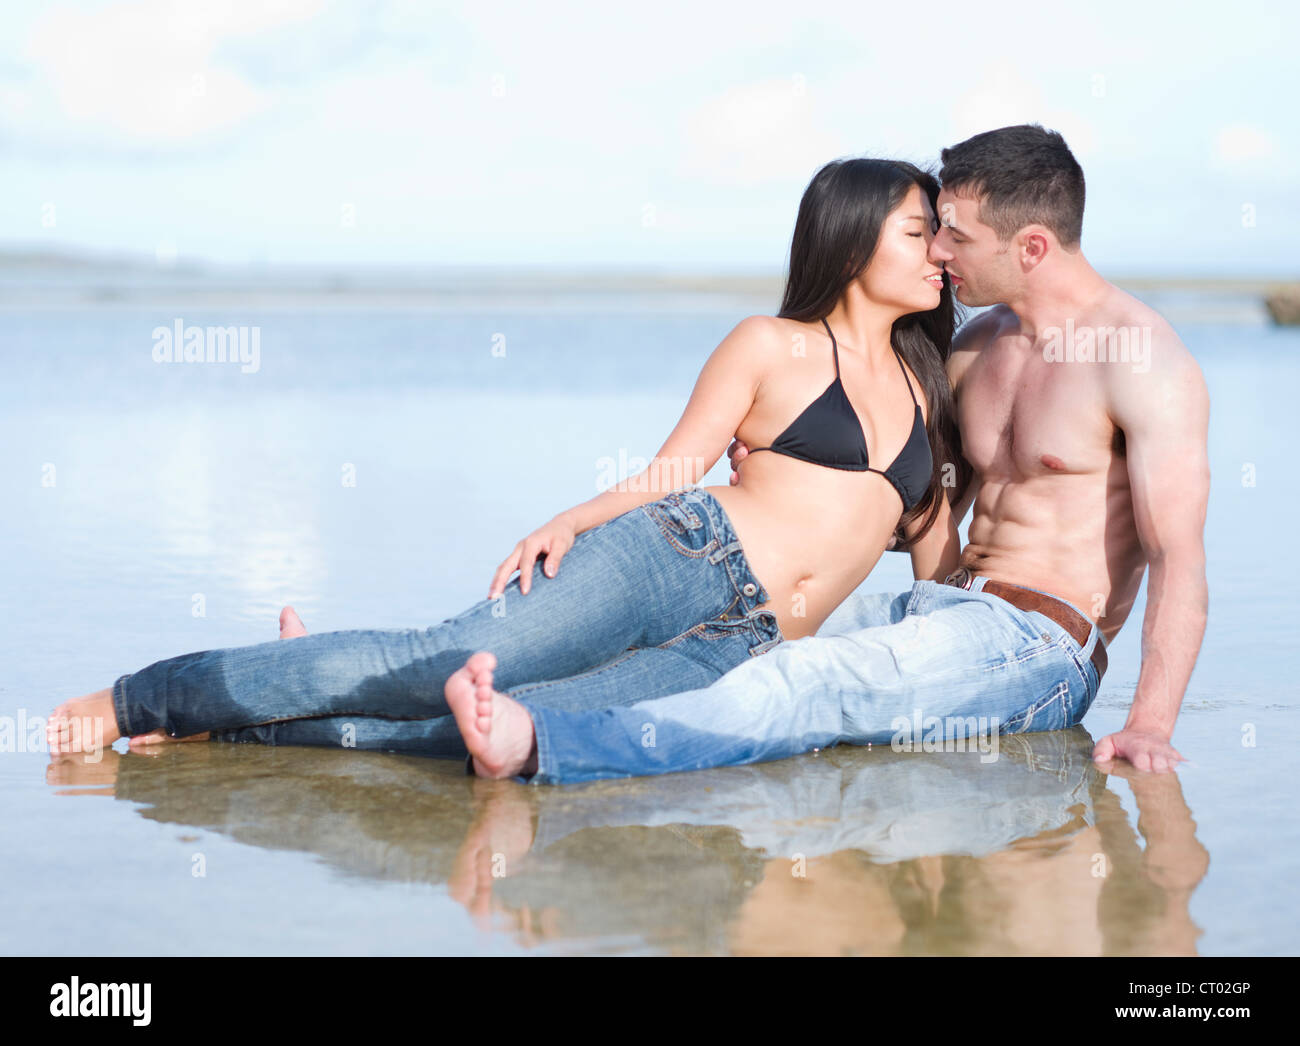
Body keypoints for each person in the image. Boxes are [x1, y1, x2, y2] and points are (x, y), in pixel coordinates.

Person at [47, 158, 964, 759]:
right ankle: (139, 699)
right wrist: (568, 521)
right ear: (851, 238)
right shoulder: (771, 343)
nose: (939, 251)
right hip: (676, 556)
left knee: (518, 732)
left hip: (747, 646)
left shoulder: (931, 387)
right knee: (432, 662)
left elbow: (937, 567)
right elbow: (672, 470)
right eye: (919, 230)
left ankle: (246, 728)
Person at [434, 124, 1210, 783]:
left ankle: (544, 747)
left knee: (811, 677)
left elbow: (1179, 559)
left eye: (957, 236)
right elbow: (915, 511)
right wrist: (792, 482)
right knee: (730, 650)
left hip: (1040, 643)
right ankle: (354, 713)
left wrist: (1149, 722)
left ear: (1032, 246)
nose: (939, 250)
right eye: (933, 228)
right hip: (940, 608)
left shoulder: (1142, 360)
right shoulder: (977, 350)